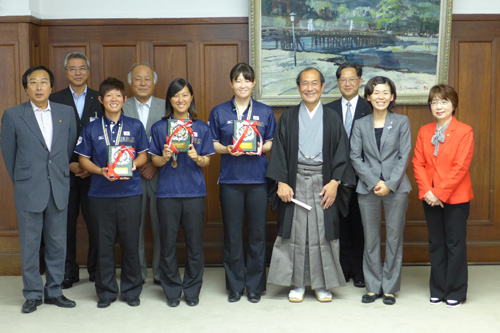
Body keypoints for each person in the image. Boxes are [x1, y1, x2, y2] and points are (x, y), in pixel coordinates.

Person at [266, 67, 354, 303]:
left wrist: (336, 182)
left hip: (323, 181)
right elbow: (279, 152)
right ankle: (296, 284)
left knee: (321, 234)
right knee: (296, 233)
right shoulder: (288, 117)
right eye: (305, 84)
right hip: (293, 180)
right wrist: (281, 181)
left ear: (323, 87)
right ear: (298, 88)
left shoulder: (333, 118)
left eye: (314, 83)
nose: (310, 88)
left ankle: (321, 284)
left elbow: (342, 154)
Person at [0, 65, 77, 313]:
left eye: (44, 82)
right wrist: (25, 181)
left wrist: (55, 175)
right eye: (33, 82)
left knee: (57, 243)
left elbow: (66, 150)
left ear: (52, 87)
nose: (39, 87)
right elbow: (9, 155)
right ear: (26, 87)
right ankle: (32, 293)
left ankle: (54, 290)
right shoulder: (13, 115)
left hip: (58, 187)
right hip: (29, 189)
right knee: (31, 245)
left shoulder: (66, 112)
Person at [75, 77, 148, 308]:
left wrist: (134, 164)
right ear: (101, 100)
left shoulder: (135, 126)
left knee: (130, 243)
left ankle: (131, 290)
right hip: (100, 194)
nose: (114, 99)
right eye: (109, 95)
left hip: (130, 192)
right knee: (103, 243)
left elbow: (144, 154)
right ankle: (106, 292)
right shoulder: (92, 128)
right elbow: (82, 159)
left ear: (125, 99)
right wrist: (99, 170)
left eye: (118, 95)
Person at [208, 62, 276, 303]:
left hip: (258, 180)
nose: (243, 84)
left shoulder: (265, 111)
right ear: (231, 84)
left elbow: (271, 142)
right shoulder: (219, 112)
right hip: (230, 181)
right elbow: (212, 144)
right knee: (233, 235)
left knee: (258, 234)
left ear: (254, 83)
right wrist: (227, 149)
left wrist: (259, 147)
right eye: (238, 80)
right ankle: (235, 286)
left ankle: (255, 286)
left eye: (247, 80)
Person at [150, 78, 214, 307]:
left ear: (191, 98)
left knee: (195, 245)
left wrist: (197, 157)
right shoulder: (159, 127)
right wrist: (164, 157)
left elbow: (207, 160)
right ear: (170, 99)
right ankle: (172, 290)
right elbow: (153, 160)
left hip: (194, 193)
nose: (181, 99)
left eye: (185, 95)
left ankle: (193, 289)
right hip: (167, 194)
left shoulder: (201, 127)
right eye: (176, 95)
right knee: (167, 244)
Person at [350, 76, 411, 305]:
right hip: (368, 189)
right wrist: (375, 181)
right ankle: (373, 286)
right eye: (376, 92)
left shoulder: (402, 121)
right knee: (371, 239)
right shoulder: (360, 124)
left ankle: (390, 288)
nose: (381, 97)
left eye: (385, 92)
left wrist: (389, 184)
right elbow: (355, 156)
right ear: (368, 96)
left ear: (392, 96)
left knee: (394, 239)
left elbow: (404, 155)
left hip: (397, 188)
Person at [412, 84, 473, 308]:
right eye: (434, 102)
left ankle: (455, 290)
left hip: (456, 198)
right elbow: (417, 163)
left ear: (453, 105)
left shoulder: (465, 131)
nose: (439, 106)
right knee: (436, 243)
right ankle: (437, 288)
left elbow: (460, 167)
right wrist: (428, 191)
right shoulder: (425, 131)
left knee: (454, 244)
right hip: (429, 197)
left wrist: (439, 193)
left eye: (444, 101)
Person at [49, 52, 102, 288]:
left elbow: (106, 135)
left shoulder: (100, 98)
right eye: (72, 68)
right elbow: (49, 139)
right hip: (63, 172)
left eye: (82, 68)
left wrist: (90, 166)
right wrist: (70, 163)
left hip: (95, 173)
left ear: (88, 71)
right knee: (65, 225)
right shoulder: (54, 99)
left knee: (97, 224)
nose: (78, 72)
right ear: (65, 72)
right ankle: (68, 272)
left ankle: (96, 269)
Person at [324, 62, 370, 288]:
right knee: (338, 224)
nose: (348, 83)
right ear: (338, 83)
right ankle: (342, 269)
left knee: (360, 224)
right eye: (343, 80)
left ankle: (360, 270)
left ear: (360, 82)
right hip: (335, 177)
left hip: (363, 178)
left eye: (352, 79)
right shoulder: (328, 109)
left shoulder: (370, 108)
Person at [123, 63, 165, 285]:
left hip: (161, 173)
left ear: (154, 82)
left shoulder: (167, 106)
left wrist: (154, 164)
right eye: (137, 79)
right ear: (131, 82)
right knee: (134, 227)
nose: (142, 83)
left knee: (161, 226)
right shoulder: (121, 105)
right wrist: (141, 164)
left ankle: (159, 273)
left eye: (147, 79)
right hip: (130, 175)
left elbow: (173, 140)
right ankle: (137, 274)